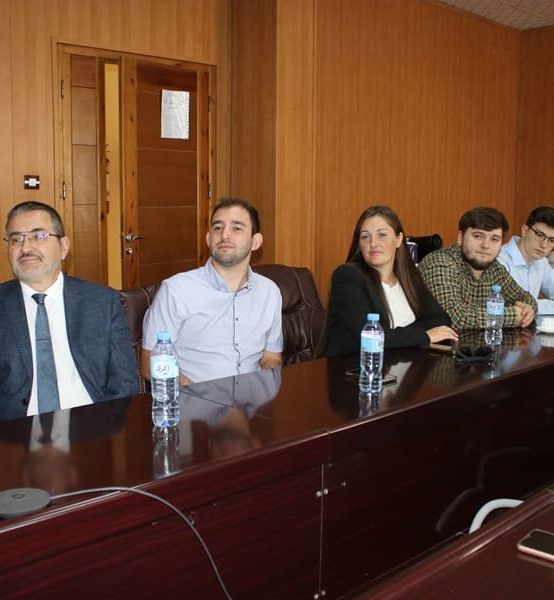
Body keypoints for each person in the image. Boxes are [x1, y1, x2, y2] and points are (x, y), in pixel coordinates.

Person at [0, 201, 138, 422]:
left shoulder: (103, 303)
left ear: (63, 247)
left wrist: (104, 429)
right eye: (16, 239)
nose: (26, 248)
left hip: (92, 426)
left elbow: (125, 383)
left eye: (39, 236)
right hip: (15, 433)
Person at [142, 198, 283, 384]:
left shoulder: (269, 292)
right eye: (217, 228)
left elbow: (271, 357)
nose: (224, 235)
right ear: (209, 239)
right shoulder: (176, 290)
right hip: (195, 398)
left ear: (255, 242)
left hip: (253, 398)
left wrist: (268, 388)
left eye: (236, 228)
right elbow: (150, 364)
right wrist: (200, 396)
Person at [325, 205, 457, 357]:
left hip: (404, 364)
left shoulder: (409, 278)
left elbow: (441, 320)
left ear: (398, 239)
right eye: (365, 237)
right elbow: (374, 337)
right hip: (357, 367)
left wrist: (397, 337)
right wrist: (425, 335)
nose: (373, 243)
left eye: (382, 235)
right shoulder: (347, 277)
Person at [419, 206, 537, 330]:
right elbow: (455, 317)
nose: (485, 245)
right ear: (460, 238)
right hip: (435, 342)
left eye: (494, 239)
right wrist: (513, 315)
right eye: (478, 236)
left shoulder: (494, 268)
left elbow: (524, 297)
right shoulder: (440, 263)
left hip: (478, 341)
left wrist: (528, 309)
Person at [497, 206, 554, 316]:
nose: (544, 245)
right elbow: (507, 306)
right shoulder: (500, 260)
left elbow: (524, 307)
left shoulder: (541, 261)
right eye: (540, 235)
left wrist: (533, 306)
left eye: (551, 240)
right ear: (525, 231)